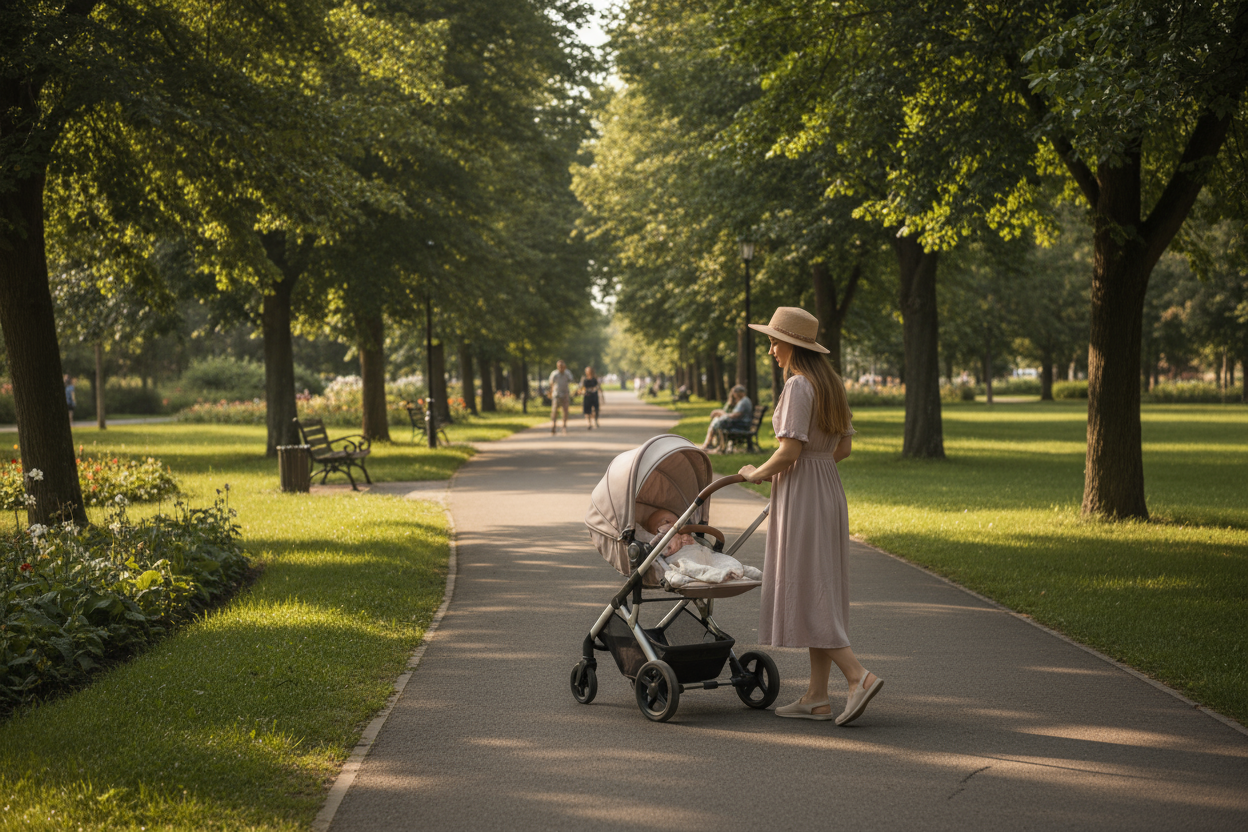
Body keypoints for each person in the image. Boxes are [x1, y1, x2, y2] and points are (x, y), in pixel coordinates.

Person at [738, 306, 882, 726]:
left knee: (807, 587)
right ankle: (817, 697)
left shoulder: (799, 386)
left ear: (792, 345)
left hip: (803, 493)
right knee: (821, 583)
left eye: (774, 342)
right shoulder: (830, 383)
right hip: (828, 489)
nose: (770, 351)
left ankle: (858, 676)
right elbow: (843, 449)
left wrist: (755, 473)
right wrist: (816, 465)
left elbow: (788, 451)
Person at [699, 385, 752, 451]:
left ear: (741, 393)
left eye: (735, 392)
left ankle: (716, 445)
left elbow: (737, 415)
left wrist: (723, 414)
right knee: (717, 421)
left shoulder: (744, 401)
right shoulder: (742, 401)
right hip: (740, 423)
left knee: (720, 422)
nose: (734, 395)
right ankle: (711, 444)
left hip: (741, 425)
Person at [548, 360, 576, 434]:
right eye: (559, 366)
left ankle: (564, 426)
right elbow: (551, 383)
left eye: (562, 366)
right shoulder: (554, 374)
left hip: (565, 395)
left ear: (565, 367)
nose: (560, 368)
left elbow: (571, 381)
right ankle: (554, 425)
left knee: (565, 411)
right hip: (556, 395)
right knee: (554, 411)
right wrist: (551, 392)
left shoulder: (567, 373)